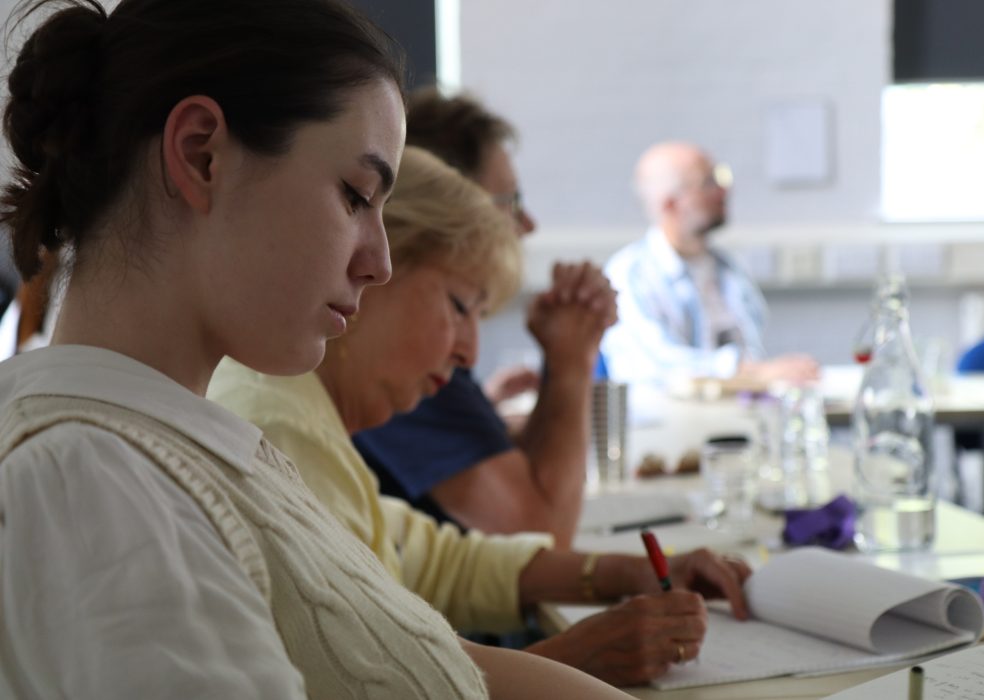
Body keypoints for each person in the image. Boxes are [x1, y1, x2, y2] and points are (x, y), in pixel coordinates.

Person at [0, 1, 634, 697]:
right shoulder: (101, 484)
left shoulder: (190, 445)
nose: (380, 262)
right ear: (200, 154)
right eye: (356, 196)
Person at [209, 146, 753, 687]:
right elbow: (370, 679)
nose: (469, 352)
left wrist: (631, 573)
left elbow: (437, 560)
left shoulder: (299, 404)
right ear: (374, 268)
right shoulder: (282, 425)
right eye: (460, 306)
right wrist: (574, 657)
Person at [353, 88, 617, 548]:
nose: (528, 224)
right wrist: (574, 360)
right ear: (451, 206)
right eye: (510, 203)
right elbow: (541, 536)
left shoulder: (414, 340)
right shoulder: (397, 353)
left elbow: (519, 479)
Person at [601, 141, 819, 391]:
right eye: (708, 183)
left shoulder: (728, 269)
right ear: (670, 204)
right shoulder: (629, 276)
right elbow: (662, 367)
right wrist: (760, 373)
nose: (723, 191)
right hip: (664, 424)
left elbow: (750, 349)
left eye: (721, 177)